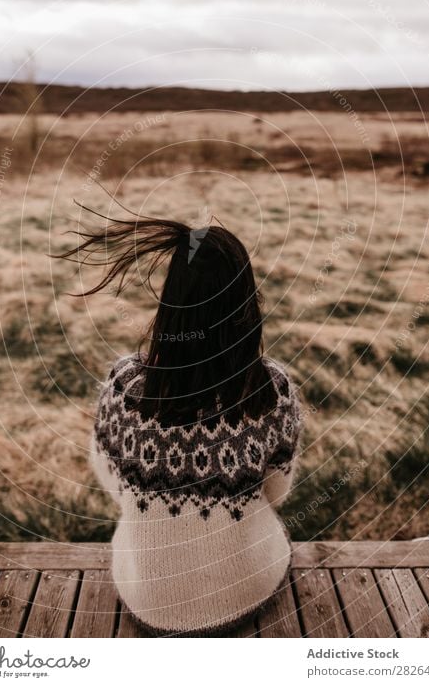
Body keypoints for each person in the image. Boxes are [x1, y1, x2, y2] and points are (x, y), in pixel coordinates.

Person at [58, 208, 302, 636]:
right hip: (248, 586)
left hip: (148, 597)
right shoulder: (270, 389)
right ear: (246, 301)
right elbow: (277, 490)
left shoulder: (125, 387)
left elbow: (111, 480)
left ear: (172, 299)